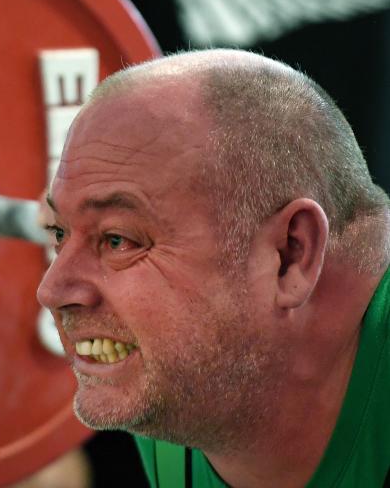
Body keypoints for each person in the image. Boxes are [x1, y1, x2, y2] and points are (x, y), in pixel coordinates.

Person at [36, 49, 390, 487]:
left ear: (290, 254)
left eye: (117, 241)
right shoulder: (182, 387)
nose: (52, 290)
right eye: (59, 234)